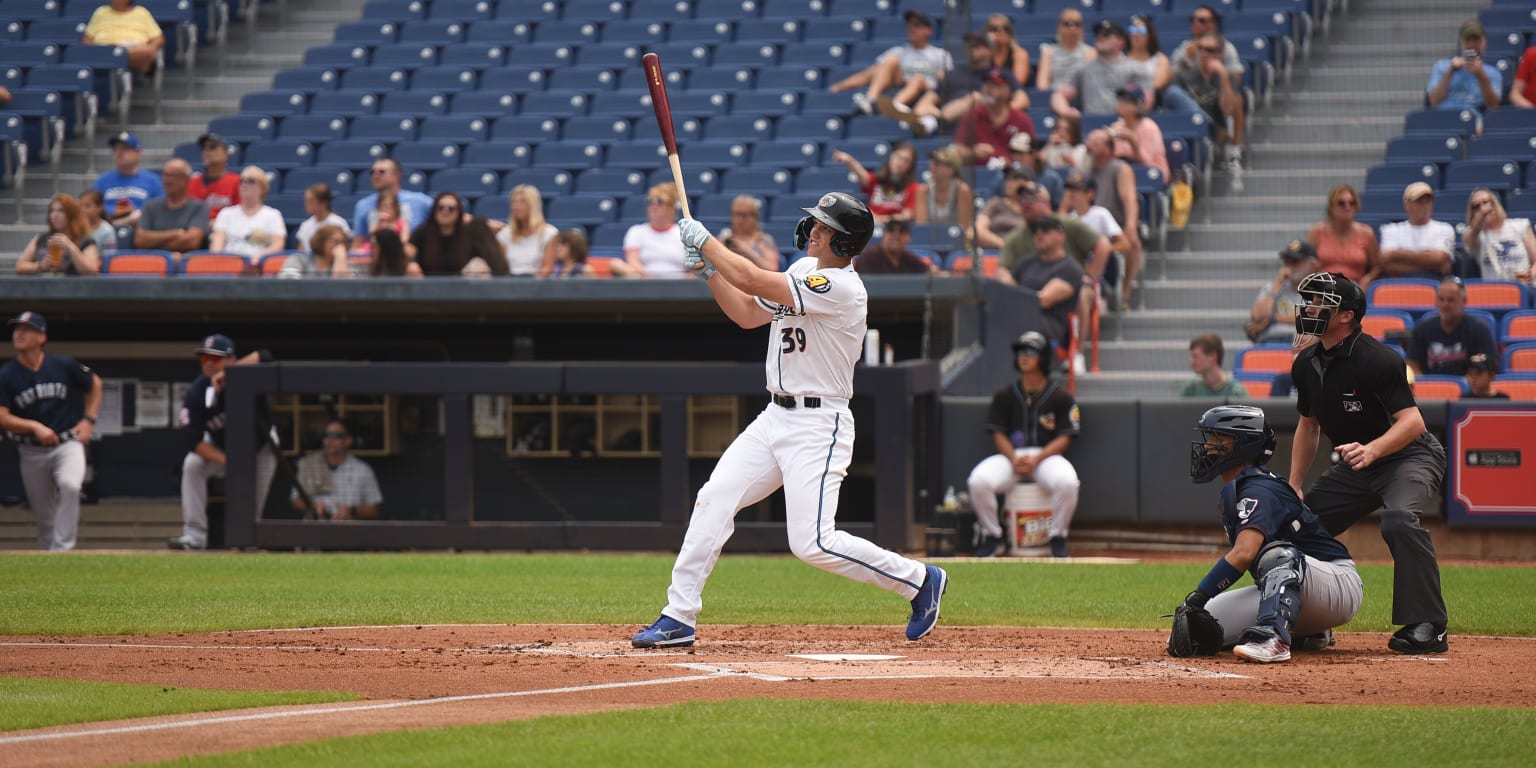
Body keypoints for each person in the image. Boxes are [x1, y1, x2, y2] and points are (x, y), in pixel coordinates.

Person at [630, 192, 948, 648]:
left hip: (820, 424)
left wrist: (709, 242)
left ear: (844, 243)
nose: (814, 230)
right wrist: (710, 273)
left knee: (812, 543)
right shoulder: (802, 271)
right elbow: (744, 314)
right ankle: (678, 616)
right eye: (815, 223)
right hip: (775, 416)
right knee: (713, 499)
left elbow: (753, 276)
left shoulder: (842, 288)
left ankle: (919, 580)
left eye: (824, 226)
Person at [1288, 271, 1450, 654]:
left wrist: (1374, 450)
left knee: (1398, 520)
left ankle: (1430, 624)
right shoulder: (1305, 363)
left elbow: (1413, 424)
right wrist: (1294, 484)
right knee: (1297, 525)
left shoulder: (1377, 359)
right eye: (1309, 300)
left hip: (1410, 454)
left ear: (1346, 315)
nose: (1308, 308)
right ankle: (1312, 623)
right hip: (1360, 465)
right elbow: (1307, 426)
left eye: (1318, 302)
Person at [1178, 405, 1362, 663]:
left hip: (1337, 584)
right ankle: (1308, 631)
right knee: (1198, 629)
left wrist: (1199, 594)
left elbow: (1244, 554)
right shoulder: (1240, 487)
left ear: (1243, 445)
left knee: (1276, 555)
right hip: (1303, 587)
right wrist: (1198, 607)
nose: (1209, 446)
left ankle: (1274, 638)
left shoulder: (1259, 489)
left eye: (1219, 438)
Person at [966, 331, 1080, 559]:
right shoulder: (1005, 395)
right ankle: (993, 536)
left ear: (1043, 358)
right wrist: (1014, 458)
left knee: (1068, 482)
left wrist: (1036, 459)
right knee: (978, 480)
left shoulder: (1061, 397)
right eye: (1020, 351)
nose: (1024, 356)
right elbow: (998, 433)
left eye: (1030, 352)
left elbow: (1065, 437)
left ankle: (1058, 537)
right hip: (1012, 457)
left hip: (1045, 457)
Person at [0, 312, 102, 551]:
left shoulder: (62, 364)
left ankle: (64, 548)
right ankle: (50, 556)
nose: (19, 334)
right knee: (44, 515)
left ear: (42, 337)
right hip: (31, 448)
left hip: (67, 442)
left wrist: (89, 420)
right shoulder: (6, 375)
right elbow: (2, 416)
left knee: (71, 485)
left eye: (27, 329)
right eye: (17, 329)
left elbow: (94, 383)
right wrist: (34, 426)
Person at [172, 334, 277, 551]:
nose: (209, 363)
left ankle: (247, 540)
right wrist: (228, 461)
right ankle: (195, 535)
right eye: (205, 359)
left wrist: (232, 373)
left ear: (231, 359)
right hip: (222, 450)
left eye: (216, 358)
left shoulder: (247, 375)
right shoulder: (197, 392)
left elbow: (266, 356)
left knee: (253, 502)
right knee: (192, 464)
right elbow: (192, 440)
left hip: (261, 447)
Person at [831, 9, 951, 118]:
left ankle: (893, 107)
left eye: (917, 25)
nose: (911, 29)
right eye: (909, 25)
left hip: (925, 94)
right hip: (898, 88)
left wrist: (924, 84)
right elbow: (867, 75)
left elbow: (947, 82)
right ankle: (871, 100)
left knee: (917, 80)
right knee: (889, 60)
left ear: (928, 30)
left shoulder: (939, 55)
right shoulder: (898, 52)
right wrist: (837, 88)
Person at [999, 181, 1112, 290]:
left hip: (1071, 287)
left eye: (1030, 198)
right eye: (1021, 199)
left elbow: (1102, 244)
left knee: (1083, 293)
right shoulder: (1014, 238)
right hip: (1030, 293)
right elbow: (1003, 269)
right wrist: (1013, 289)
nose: (1025, 203)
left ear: (1045, 201)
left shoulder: (1067, 224)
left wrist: (1090, 278)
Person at [1168, 28, 1246, 179]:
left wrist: (1223, 76)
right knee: (1172, 92)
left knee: (1238, 99)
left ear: (1219, 54)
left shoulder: (1227, 78)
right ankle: (1207, 123)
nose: (1203, 53)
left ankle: (1208, 126)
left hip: (1212, 141)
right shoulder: (1184, 75)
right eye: (1200, 48)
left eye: (1210, 50)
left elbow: (1228, 109)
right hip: (1189, 136)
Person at [1084, 128, 1143, 307]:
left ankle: (1124, 294)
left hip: (1114, 224)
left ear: (1108, 148)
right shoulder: (1084, 167)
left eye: (1095, 142)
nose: (1089, 145)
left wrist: (1131, 226)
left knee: (1132, 243)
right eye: (1089, 140)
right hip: (1086, 223)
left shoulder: (1120, 168)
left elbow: (1130, 200)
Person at [1009, 216, 1085, 351]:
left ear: (1061, 236)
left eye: (1045, 230)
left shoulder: (1070, 268)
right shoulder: (1026, 262)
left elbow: (1043, 300)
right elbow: (1008, 288)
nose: (1039, 234)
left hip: (1049, 331)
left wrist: (1011, 301)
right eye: (1036, 231)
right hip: (1020, 318)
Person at [1050, 21, 1153, 119]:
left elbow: (1146, 102)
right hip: (1090, 125)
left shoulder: (1136, 68)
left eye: (1107, 35)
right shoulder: (1083, 68)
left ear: (1121, 41)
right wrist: (1065, 112)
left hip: (1124, 124)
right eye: (1098, 34)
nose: (1100, 37)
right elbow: (1059, 95)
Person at [291, 419, 383, 520]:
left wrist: (351, 510)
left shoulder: (363, 470)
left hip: (350, 532)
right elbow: (296, 500)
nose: (329, 440)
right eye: (326, 435)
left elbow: (374, 510)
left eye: (336, 436)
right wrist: (313, 506)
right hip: (315, 530)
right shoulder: (309, 464)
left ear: (348, 441)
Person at [1406, 277, 1498, 377]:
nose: (1445, 305)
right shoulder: (1421, 330)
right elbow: (1411, 366)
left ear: (1464, 301)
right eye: (1441, 299)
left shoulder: (1479, 330)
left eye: (1451, 300)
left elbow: (1488, 366)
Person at [408, 191, 507, 277]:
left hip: (464, 289)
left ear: (459, 213)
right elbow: (407, 253)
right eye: (440, 207)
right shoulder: (423, 231)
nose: (445, 211)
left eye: (451, 208)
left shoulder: (469, 233)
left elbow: (496, 260)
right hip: (428, 288)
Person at [955, 69, 1036, 167]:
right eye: (986, 84)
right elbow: (959, 149)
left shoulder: (1021, 120)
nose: (988, 89)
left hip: (1012, 175)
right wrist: (973, 152)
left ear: (1008, 91)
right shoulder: (972, 116)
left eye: (995, 85)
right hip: (981, 175)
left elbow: (1031, 156)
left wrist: (1010, 163)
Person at [132, 158, 209, 261]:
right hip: (152, 264)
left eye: (172, 176)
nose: (166, 180)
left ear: (186, 180)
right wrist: (175, 234)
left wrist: (153, 242)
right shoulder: (150, 206)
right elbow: (140, 240)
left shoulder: (199, 207)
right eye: (165, 175)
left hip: (185, 267)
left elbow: (192, 242)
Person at [1306, 184, 1381, 289]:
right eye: (1341, 203)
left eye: (1352, 203)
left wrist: (1367, 280)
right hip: (1323, 290)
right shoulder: (1317, 232)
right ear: (1331, 208)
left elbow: (1377, 267)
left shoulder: (1366, 233)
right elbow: (1305, 263)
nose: (1348, 206)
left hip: (1354, 290)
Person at [1246, 239, 1320, 345]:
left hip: (1303, 346)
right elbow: (1257, 316)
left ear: (1312, 266)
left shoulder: (1321, 289)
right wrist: (1278, 282)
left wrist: (1272, 319)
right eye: (1286, 261)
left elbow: (1312, 317)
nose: (1289, 266)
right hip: (1269, 344)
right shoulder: (1273, 287)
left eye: (1295, 261)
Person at [352, 158, 434, 249]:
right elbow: (358, 241)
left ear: (397, 176)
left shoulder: (421, 201)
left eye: (381, 172)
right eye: (372, 172)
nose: (375, 175)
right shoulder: (363, 205)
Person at [208, 167, 286, 263]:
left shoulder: (273, 215)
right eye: (241, 181)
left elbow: (278, 244)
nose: (244, 184)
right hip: (228, 265)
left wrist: (258, 257)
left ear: (262, 188)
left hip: (258, 267)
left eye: (251, 181)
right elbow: (217, 245)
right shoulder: (226, 213)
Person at [1380, 183, 1456, 279]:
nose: (1424, 205)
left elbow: (1440, 259)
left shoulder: (1445, 228)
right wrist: (1430, 263)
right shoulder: (1391, 230)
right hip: (1400, 285)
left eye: (1428, 201)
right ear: (1406, 205)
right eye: (1419, 201)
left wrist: (1397, 254)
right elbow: (1386, 263)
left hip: (1435, 283)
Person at [613, 182, 688, 278]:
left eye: (660, 202)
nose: (654, 206)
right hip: (645, 284)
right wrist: (654, 280)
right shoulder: (636, 231)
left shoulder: (684, 233)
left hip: (680, 286)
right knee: (616, 264)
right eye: (650, 201)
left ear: (672, 207)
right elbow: (633, 261)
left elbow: (692, 268)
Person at [15, 194, 103, 276]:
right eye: (52, 211)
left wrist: (70, 247)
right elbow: (20, 266)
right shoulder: (41, 238)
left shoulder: (85, 241)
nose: (54, 215)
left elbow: (92, 270)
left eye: (61, 211)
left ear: (71, 215)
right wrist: (40, 266)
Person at [829, 143, 918, 224]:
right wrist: (848, 159)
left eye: (906, 160)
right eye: (898, 157)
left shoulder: (912, 187)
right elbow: (862, 174)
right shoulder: (877, 180)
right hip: (870, 226)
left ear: (911, 166)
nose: (900, 163)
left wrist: (881, 219)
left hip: (892, 229)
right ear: (891, 157)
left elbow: (907, 216)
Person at [1426, 20, 1502, 111]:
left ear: (1484, 42)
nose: (1472, 45)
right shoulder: (1442, 66)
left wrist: (1481, 75)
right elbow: (1434, 101)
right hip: (1444, 116)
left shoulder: (1492, 73)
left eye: (1476, 40)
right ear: (1461, 42)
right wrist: (1450, 71)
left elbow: (1493, 106)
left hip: (1473, 118)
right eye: (1468, 40)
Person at [1463, 188, 1535, 283]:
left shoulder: (1520, 225)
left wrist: (1532, 273)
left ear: (1494, 203)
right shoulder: (1474, 235)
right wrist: (1481, 216)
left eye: (1486, 202)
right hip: (1495, 292)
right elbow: (1472, 235)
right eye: (1476, 206)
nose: (1482, 208)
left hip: (1524, 287)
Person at [93, 131, 162, 228]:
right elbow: (91, 206)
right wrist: (114, 211)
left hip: (141, 228)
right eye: (116, 149)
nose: (119, 153)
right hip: (108, 226)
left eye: (125, 149)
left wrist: (135, 211)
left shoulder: (153, 180)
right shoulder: (102, 180)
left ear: (138, 153)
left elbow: (160, 209)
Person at [81, 0, 164, 76]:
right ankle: (118, 60)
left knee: (145, 51)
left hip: (133, 49)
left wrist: (151, 48)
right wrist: (94, 51)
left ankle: (119, 59)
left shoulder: (141, 13)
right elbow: (87, 39)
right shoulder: (101, 12)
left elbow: (158, 38)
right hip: (105, 50)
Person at [1107, 84, 1169, 183]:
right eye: (1120, 99)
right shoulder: (1116, 126)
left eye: (1127, 101)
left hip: (1150, 175)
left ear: (1138, 105)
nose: (1121, 103)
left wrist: (1132, 141)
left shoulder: (1149, 127)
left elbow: (1147, 162)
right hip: (1122, 175)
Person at [496, 184, 558, 277]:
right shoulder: (504, 233)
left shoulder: (549, 233)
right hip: (509, 282)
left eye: (522, 201)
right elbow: (500, 267)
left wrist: (529, 287)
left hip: (536, 284)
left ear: (533, 205)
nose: (516, 206)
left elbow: (547, 268)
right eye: (513, 202)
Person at [913, 145, 974, 232]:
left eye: (937, 163)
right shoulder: (923, 191)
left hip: (956, 239)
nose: (932, 165)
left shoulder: (962, 190)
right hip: (931, 240)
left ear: (951, 169)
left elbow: (963, 227)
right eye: (932, 161)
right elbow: (922, 228)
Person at [974, 162, 1032, 250]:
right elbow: (979, 230)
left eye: (1015, 178)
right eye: (1007, 178)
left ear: (1028, 182)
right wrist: (1005, 246)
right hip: (996, 252)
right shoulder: (995, 203)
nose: (1009, 182)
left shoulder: (1033, 207)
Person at [1035, 7, 1095, 91]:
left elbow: (1090, 84)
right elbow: (1042, 85)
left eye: (1077, 24)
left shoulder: (1090, 52)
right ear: (1059, 27)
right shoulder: (1048, 51)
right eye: (1067, 24)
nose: (1072, 28)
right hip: (1053, 95)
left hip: (1079, 96)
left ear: (1082, 28)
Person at [718, 195, 781, 271]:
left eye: (743, 215)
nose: (739, 220)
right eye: (735, 214)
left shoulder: (763, 240)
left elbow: (772, 269)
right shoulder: (725, 238)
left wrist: (747, 252)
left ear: (754, 217)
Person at [187, 133, 239, 223]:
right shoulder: (192, 182)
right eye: (204, 148)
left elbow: (242, 216)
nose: (207, 151)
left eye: (212, 147)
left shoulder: (237, 182)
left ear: (225, 155)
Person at [854, 218, 932, 274]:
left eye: (901, 231)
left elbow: (928, 271)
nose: (896, 235)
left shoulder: (908, 257)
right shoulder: (869, 256)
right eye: (891, 230)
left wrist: (932, 270)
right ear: (884, 234)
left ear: (909, 238)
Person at [1125, 14, 1172, 107]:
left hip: (1151, 105)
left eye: (1141, 30)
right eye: (1133, 30)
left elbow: (1158, 84)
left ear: (1150, 35)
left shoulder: (1160, 59)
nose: (1136, 34)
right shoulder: (1120, 58)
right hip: (1124, 102)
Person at [1182, 334, 1248, 397]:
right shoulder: (1191, 389)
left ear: (1213, 356)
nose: (1191, 361)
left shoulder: (1236, 392)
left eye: (1195, 356)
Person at [293, 183, 350, 255]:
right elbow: (301, 253)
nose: (307, 204)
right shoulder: (305, 225)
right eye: (306, 201)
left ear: (324, 203)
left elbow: (343, 249)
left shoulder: (339, 223)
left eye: (311, 201)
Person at [984, 14, 1031, 99]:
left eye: (1005, 28)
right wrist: (988, 46)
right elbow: (979, 78)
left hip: (1012, 96)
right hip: (987, 96)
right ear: (987, 33)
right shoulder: (983, 54)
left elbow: (1018, 83)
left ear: (1010, 34)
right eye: (994, 29)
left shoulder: (1019, 53)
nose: (1000, 31)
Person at [279, 224, 351, 278]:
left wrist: (340, 259)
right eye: (335, 241)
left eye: (342, 242)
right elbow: (288, 285)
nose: (339, 246)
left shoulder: (346, 265)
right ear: (321, 242)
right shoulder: (297, 260)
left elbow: (343, 290)